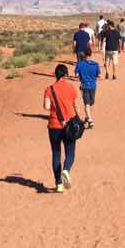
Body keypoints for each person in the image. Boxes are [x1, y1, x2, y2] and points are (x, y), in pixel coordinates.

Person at [43, 63, 81, 193]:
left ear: (55, 75)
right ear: (66, 74)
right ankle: (66, 170)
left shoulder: (49, 89)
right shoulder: (71, 88)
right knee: (70, 152)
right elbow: (76, 106)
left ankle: (58, 184)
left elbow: (46, 107)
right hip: (69, 125)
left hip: (54, 125)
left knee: (56, 153)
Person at [74, 45, 100, 128]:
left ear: (84, 54)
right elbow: (98, 75)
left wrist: (81, 75)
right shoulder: (95, 64)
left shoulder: (80, 64)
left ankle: (88, 118)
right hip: (93, 86)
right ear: (91, 54)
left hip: (84, 86)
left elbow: (76, 75)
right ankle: (89, 119)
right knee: (90, 103)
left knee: (87, 103)